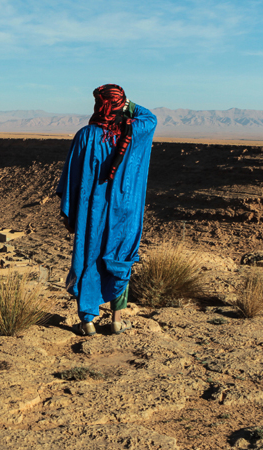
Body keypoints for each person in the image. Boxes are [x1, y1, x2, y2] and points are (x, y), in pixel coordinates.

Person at [56, 84, 157, 336]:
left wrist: (71, 212)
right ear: (120, 104)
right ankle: (117, 320)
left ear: (98, 105)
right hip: (125, 211)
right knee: (119, 257)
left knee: (89, 257)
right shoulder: (134, 132)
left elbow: (72, 177)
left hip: (93, 212)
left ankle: (88, 321)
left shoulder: (85, 135)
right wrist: (129, 105)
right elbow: (151, 117)